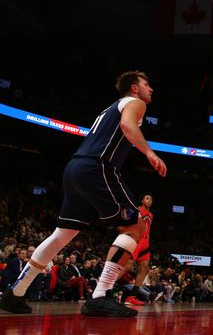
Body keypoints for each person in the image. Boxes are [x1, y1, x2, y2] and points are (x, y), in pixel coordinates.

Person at [0, 71, 167, 317]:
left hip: (75, 169)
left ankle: (15, 293)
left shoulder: (108, 109)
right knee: (135, 226)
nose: (150, 89)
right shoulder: (136, 103)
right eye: (146, 84)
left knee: (61, 235)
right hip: (97, 167)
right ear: (134, 88)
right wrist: (149, 152)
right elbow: (127, 125)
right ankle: (100, 296)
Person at [126, 193, 155, 305]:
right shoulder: (137, 210)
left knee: (144, 269)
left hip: (145, 243)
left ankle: (131, 296)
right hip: (136, 240)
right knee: (126, 266)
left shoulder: (151, 215)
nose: (149, 200)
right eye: (147, 198)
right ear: (142, 201)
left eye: (151, 199)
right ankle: (106, 290)